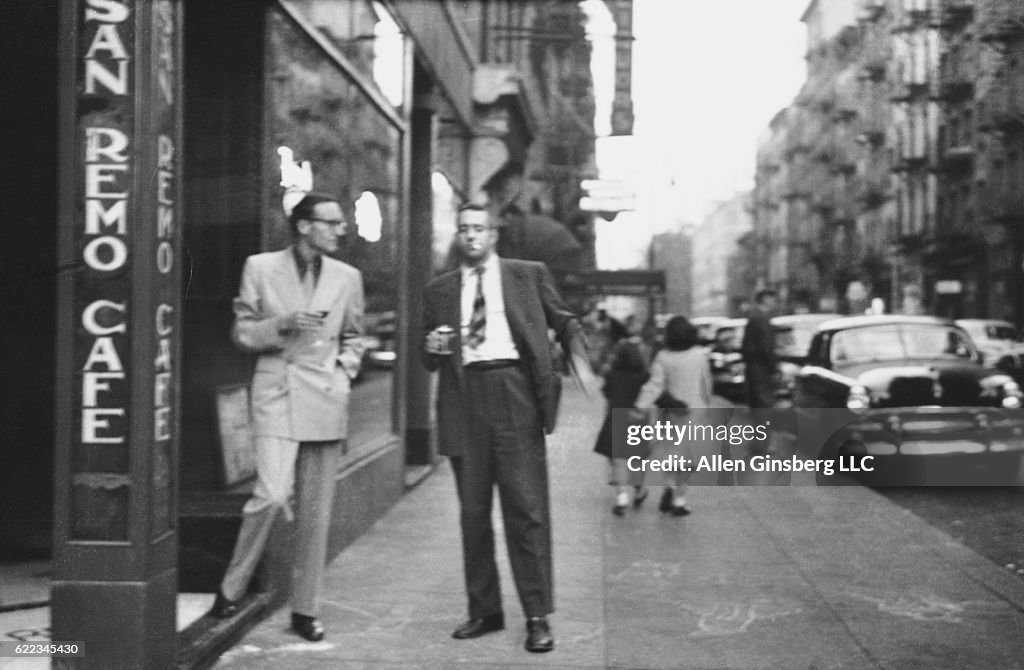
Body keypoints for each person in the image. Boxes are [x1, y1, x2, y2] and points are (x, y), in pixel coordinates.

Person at [421, 203, 597, 653]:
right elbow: (427, 356)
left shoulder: (527, 274)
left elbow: (564, 319)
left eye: (479, 228)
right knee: (473, 514)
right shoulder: (439, 290)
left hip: (514, 394)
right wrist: (431, 345)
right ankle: (485, 610)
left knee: (526, 510)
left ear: (493, 233)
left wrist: (580, 359)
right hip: (464, 400)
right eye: (464, 229)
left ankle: (537, 616)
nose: (471, 236)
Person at [208, 193, 365, 643]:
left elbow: (355, 335)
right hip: (276, 390)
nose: (340, 230)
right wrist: (283, 323)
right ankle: (232, 584)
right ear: (303, 226)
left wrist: (344, 371)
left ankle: (305, 609)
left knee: (316, 513)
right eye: (331, 223)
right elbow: (241, 332)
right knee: (273, 494)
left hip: (325, 397)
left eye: (341, 223)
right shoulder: (260, 267)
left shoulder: (347, 277)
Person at [634, 315, 713, 516]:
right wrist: (707, 403)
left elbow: (655, 385)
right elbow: (707, 383)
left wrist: (641, 405)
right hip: (695, 410)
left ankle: (669, 486)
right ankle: (679, 500)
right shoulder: (699, 355)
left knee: (673, 454)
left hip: (670, 411)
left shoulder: (662, 356)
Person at [592, 333, 650, 516]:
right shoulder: (643, 375)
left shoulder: (612, 375)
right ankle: (639, 490)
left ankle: (621, 497)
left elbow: (605, 392)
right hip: (636, 419)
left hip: (615, 418)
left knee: (617, 459)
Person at [741, 289, 780, 409]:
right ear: (766, 300)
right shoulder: (762, 319)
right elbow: (766, 347)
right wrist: (773, 369)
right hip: (761, 369)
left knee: (756, 404)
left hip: (753, 368)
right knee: (764, 403)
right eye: (773, 299)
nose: (775, 303)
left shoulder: (754, 317)